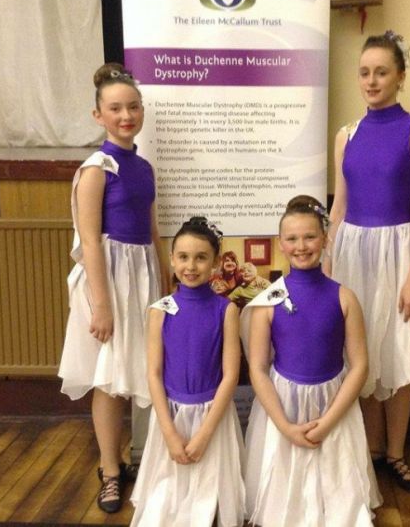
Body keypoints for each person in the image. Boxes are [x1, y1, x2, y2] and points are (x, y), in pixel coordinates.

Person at [324, 31, 410, 492]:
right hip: (352, 251)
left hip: (398, 252)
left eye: (381, 72)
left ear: (400, 76)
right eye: (364, 72)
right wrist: (328, 265)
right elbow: (339, 206)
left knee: (397, 350)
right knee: (361, 350)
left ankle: (395, 452)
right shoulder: (346, 135)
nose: (371, 81)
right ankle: (370, 449)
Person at [57, 62, 170, 513]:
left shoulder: (143, 167)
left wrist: (164, 282)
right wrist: (102, 306)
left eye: (133, 107)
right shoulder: (95, 170)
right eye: (116, 108)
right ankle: (109, 468)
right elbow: (89, 241)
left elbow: (153, 231)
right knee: (109, 379)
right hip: (108, 280)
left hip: (142, 275)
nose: (126, 115)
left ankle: (144, 459)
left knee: (143, 369)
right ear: (98, 114)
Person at [243, 195, 381, 527]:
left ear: (324, 239)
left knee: (338, 503)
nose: (301, 246)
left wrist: (330, 420)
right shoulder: (268, 301)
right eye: (292, 239)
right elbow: (258, 368)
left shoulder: (345, 297)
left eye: (309, 237)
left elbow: (359, 365)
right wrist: (285, 426)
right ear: (281, 243)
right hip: (283, 405)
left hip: (333, 403)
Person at [130, 217, 245, 527]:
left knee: (209, 497)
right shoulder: (160, 310)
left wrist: (205, 434)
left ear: (216, 262)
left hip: (212, 417)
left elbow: (230, 375)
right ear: (172, 259)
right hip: (171, 417)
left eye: (201, 257)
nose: (191, 266)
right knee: (166, 501)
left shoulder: (226, 310)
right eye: (183, 257)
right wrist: (169, 433)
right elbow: (154, 374)